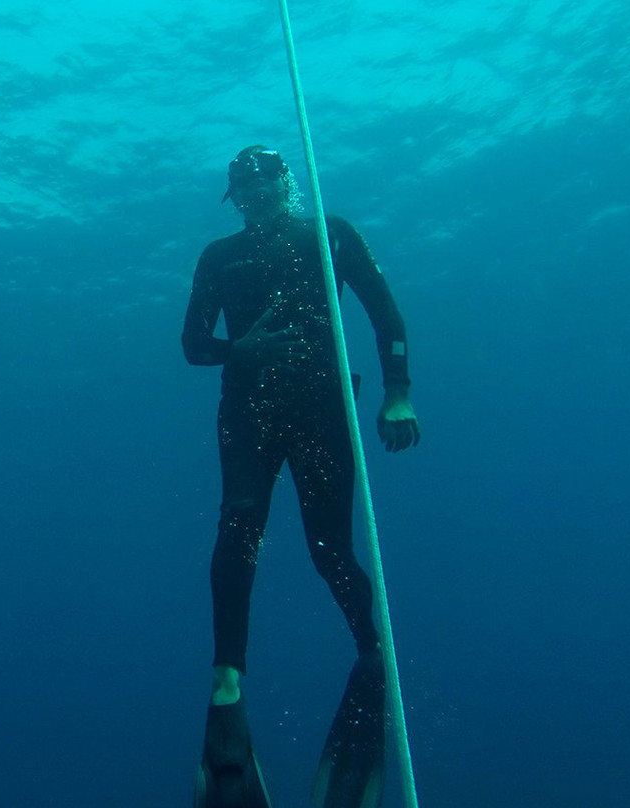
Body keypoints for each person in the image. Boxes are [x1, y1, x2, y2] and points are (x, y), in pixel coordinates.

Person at [184, 146, 421, 808]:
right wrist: (243, 348)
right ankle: (227, 678)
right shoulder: (218, 258)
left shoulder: (330, 234)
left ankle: (370, 650)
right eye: (246, 189)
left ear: (288, 184)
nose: (258, 196)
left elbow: (384, 311)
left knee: (328, 549)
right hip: (248, 414)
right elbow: (193, 345)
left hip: (322, 413)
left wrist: (396, 392)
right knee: (240, 524)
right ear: (234, 198)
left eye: (268, 184)